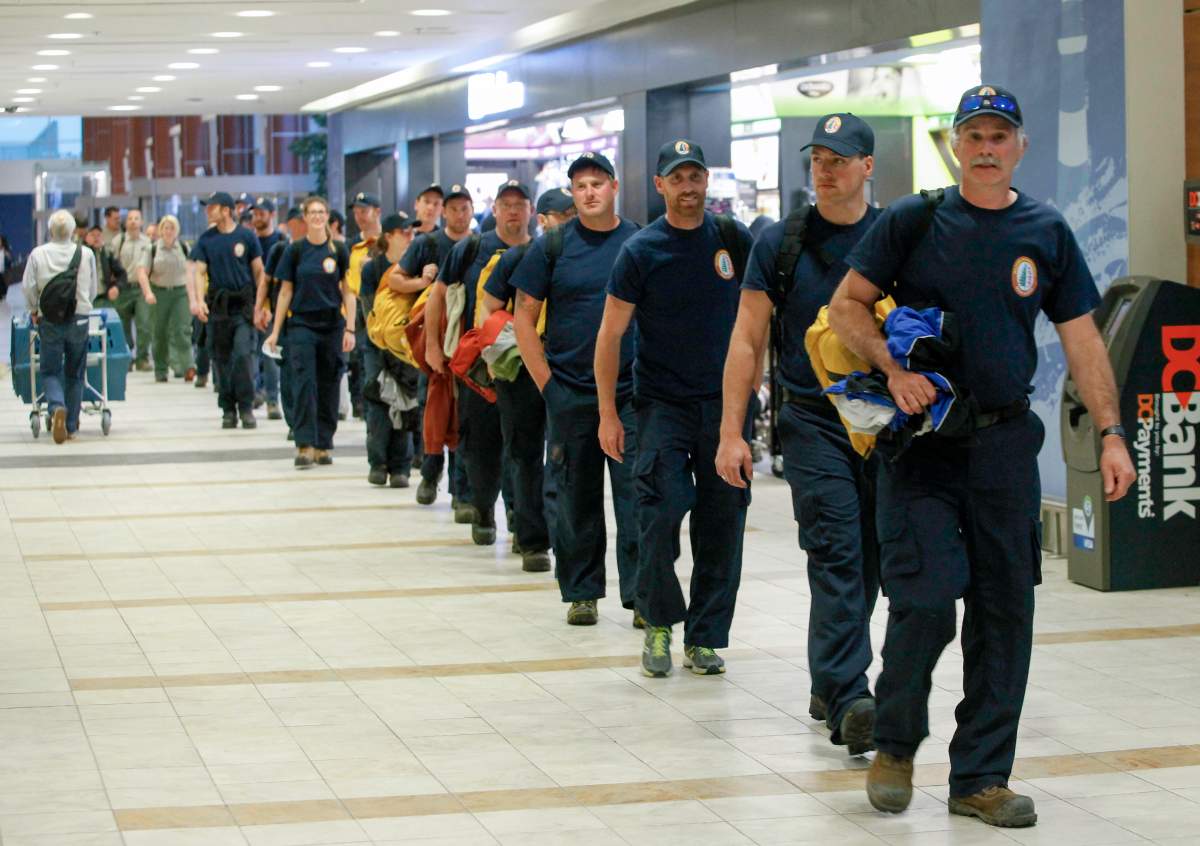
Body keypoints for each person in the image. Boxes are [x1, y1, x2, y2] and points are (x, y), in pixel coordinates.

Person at [828, 85, 1136, 827]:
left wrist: (1111, 431)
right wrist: (893, 368)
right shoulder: (914, 220)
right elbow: (846, 305)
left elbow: (1083, 338)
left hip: (1002, 446)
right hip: (924, 446)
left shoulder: (1045, 231)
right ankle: (896, 743)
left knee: (1005, 614)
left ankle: (980, 779)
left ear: (1020, 146)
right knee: (926, 602)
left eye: (1001, 135)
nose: (988, 147)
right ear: (956, 145)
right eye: (975, 135)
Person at [717, 113, 883, 754]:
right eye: (817, 157)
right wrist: (734, 431)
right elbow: (747, 337)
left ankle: (827, 678)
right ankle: (849, 695)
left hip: (883, 424)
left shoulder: (895, 236)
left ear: (867, 166)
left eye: (838, 158)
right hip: (812, 421)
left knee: (870, 556)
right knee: (837, 547)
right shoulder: (781, 243)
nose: (825, 168)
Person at [597, 139, 754, 678]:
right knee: (659, 511)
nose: (689, 187)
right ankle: (659, 622)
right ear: (660, 185)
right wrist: (608, 413)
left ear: (707, 181)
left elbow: (756, 322)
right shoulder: (642, 250)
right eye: (677, 178)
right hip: (660, 403)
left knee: (722, 520)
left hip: (724, 407)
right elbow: (610, 335)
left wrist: (751, 395)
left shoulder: (733, 240)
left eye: (696, 176)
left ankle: (705, 636)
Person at [512, 152, 642, 623]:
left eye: (597, 183)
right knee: (573, 497)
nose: (589, 192)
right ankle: (582, 592)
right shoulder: (553, 245)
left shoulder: (638, 242)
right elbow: (523, 317)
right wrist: (548, 384)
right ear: (572, 193)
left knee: (637, 498)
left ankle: (641, 595)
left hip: (631, 393)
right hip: (570, 391)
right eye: (580, 185)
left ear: (613, 187)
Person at [477, 185, 577, 573]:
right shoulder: (519, 257)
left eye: (571, 216)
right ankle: (531, 537)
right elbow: (489, 307)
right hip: (519, 371)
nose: (567, 223)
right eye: (560, 217)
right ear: (544, 220)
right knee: (523, 453)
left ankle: (554, 533)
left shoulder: (581, 258)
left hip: (566, 369)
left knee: (562, 456)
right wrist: (496, 353)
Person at [426, 180, 532, 545]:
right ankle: (483, 508)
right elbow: (437, 295)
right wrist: (432, 347)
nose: (513, 211)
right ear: (496, 210)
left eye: (520, 204)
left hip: (527, 368)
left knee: (524, 446)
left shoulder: (542, 250)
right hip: (478, 368)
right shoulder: (473, 248)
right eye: (507, 204)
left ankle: (522, 519)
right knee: (481, 443)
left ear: (529, 210)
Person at [394, 184, 474, 512]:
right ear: (444, 212)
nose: (458, 213)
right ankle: (430, 471)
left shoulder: (479, 244)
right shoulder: (427, 244)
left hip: (468, 345)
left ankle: (461, 490)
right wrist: (421, 282)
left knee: (464, 416)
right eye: (452, 208)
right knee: (433, 408)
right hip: (434, 344)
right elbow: (395, 280)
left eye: (463, 207)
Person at [266, 196, 355, 469]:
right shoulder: (294, 251)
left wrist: (350, 327)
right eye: (312, 212)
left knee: (329, 384)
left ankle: (323, 444)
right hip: (302, 325)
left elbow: (348, 292)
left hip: (332, 326)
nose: (317, 216)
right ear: (304, 217)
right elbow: (285, 292)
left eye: (321, 212)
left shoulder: (338, 250)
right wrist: (275, 331)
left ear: (327, 216)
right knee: (304, 383)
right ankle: (304, 444)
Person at [188, 191, 265, 429]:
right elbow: (199, 272)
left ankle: (246, 406)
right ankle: (228, 408)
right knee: (220, 359)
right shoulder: (206, 240)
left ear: (226, 210)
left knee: (243, 355)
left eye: (211, 207)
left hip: (242, 307)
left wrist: (261, 305)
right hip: (218, 308)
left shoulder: (246, 237)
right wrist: (199, 300)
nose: (207, 211)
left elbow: (259, 272)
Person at [22, 210, 98, 444]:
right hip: (80, 319)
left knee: (50, 370)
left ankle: (56, 407)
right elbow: (93, 289)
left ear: (50, 231)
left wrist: (34, 310)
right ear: (73, 231)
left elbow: (28, 287)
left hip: (50, 321)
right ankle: (71, 426)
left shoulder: (38, 254)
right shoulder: (85, 254)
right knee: (75, 373)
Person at [361, 213, 419, 486]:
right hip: (377, 344)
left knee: (406, 401)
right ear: (389, 236)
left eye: (412, 232)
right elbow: (367, 307)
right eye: (404, 232)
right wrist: (379, 341)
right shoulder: (372, 268)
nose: (410, 237)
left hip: (406, 346)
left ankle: (401, 466)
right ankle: (378, 462)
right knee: (378, 400)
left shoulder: (417, 268)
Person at [258, 206, 306, 428]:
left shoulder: (321, 249)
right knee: (286, 372)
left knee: (307, 375)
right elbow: (266, 281)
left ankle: (307, 422)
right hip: (283, 319)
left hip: (309, 319)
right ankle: (293, 422)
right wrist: (260, 307)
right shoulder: (279, 250)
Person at [138, 214, 196, 383]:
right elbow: (142, 272)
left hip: (180, 293)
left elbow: (191, 272)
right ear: (161, 230)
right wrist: (148, 292)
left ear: (177, 231)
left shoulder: (184, 248)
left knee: (182, 330)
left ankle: (188, 366)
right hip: (159, 292)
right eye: (165, 228)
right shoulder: (153, 249)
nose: (169, 231)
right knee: (160, 332)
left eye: (172, 228)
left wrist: (195, 297)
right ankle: (161, 369)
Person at [347, 192, 383, 419]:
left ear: (377, 212)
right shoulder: (352, 245)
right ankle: (359, 401)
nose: (359, 216)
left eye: (364, 210)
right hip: (357, 306)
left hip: (382, 306)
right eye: (356, 211)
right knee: (357, 357)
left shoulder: (388, 241)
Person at [105, 208, 154, 371]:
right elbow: (111, 266)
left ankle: (142, 358)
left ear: (141, 222)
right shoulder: (118, 241)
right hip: (123, 289)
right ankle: (127, 357)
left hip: (141, 289)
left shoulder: (148, 243)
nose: (133, 221)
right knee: (122, 325)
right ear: (126, 223)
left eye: (137, 218)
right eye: (130, 218)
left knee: (144, 324)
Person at [251, 197, 285, 416]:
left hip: (273, 304)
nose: (257, 217)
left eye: (262, 214)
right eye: (255, 214)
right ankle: (256, 392)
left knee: (270, 354)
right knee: (252, 354)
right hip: (251, 304)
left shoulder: (281, 242)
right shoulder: (250, 241)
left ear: (272, 215)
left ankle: (272, 399)